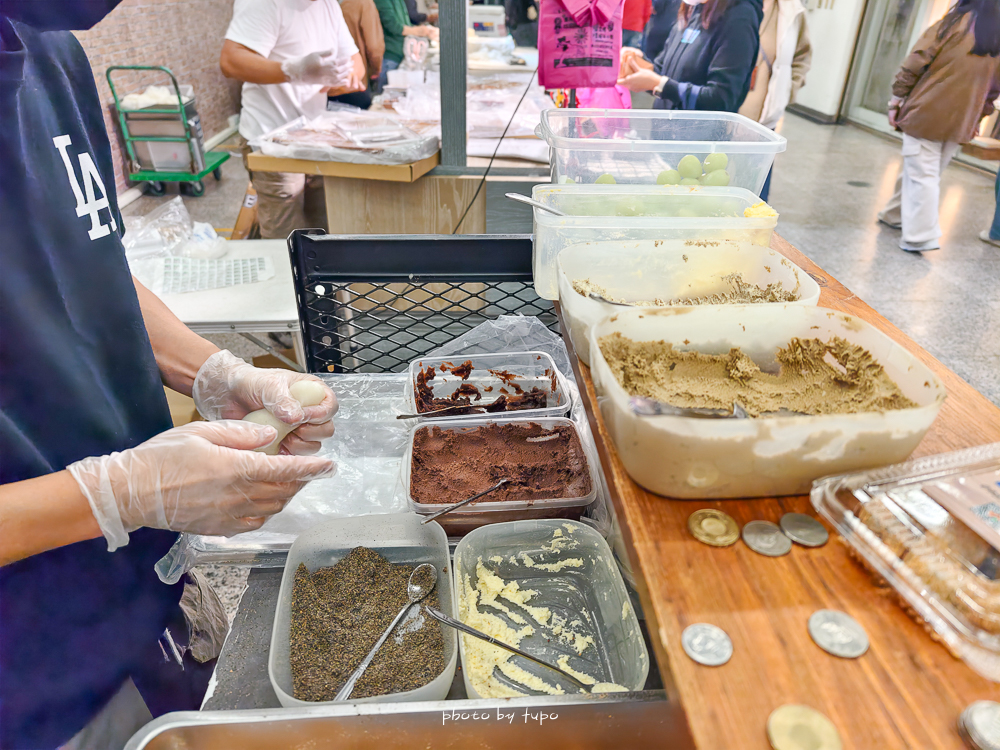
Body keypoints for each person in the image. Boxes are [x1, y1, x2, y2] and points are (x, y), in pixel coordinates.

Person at [0, 3, 338, 748]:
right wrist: (117, 493)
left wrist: (214, 370)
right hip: (30, 686)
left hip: (142, 602)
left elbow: (86, 266)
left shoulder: (50, 49)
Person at [220, 0, 366, 239]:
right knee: (285, 237)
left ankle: (315, 275)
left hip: (315, 134)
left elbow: (355, 61)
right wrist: (292, 70)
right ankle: (286, 276)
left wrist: (344, 78)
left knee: (323, 229)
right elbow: (231, 60)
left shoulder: (328, 4)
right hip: (271, 136)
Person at [877, 0, 1000, 253]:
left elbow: (917, 60)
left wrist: (896, 99)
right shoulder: (997, 35)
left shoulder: (953, 22)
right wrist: (979, 117)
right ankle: (894, 214)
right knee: (925, 169)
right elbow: (994, 89)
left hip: (928, 112)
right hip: (963, 118)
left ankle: (920, 236)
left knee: (923, 173)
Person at [618, 0, 762, 113]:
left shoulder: (739, 19)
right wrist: (636, 62)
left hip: (699, 144)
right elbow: (664, 69)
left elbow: (721, 98)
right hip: (665, 135)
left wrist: (661, 85)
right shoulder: (694, 9)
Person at [738, 0, 811, 200]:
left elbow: (802, 56)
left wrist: (788, 89)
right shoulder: (730, 6)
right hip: (727, 114)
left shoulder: (792, 11)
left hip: (763, 119)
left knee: (755, 194)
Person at [333, 0, 386, 109]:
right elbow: (374, 46)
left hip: (328, 85)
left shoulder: (331, 4)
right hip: (355, 83)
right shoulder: (364, 3)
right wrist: (376, 70)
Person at [374, 0, 438, 88]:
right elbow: (393, 25)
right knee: (387, 96)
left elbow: (405, 23)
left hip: (401, 53)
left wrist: (424, 30)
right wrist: (418, 31)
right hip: (390, 55)